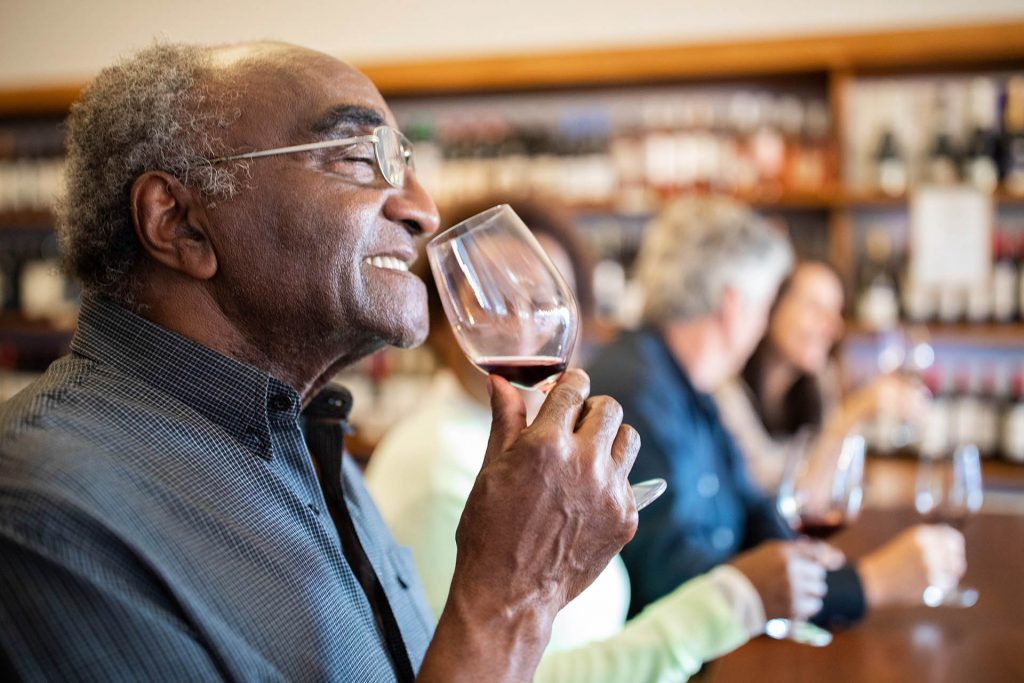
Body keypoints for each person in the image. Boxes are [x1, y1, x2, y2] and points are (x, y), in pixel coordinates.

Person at [0, 42, 643, 682]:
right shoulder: (42, 509)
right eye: (360, 158)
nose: (423, 208)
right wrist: (510, 596)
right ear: (180, 224)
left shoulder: (307, 443)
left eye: (406, 162)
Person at [367, 196, 837, 682]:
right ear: (448, 317)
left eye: (548, 298)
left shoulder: (535, 444)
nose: (532, 324)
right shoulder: (435, 467)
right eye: (500, 302)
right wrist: (733, 600)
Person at [587, 197, 966, 623]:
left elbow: (751, 505)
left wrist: (806, 564)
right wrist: (869, 584)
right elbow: (673, 584)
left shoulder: (681, 381)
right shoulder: (635, 393)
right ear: (733, 306)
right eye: (765, 307)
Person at [714, 260, 929, 495]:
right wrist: (849, 415)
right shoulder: (722, 388)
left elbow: (829, 494)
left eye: (835, 312)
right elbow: (774, 497)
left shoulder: (820, 382)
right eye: (816, 309)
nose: (834, 327)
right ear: (772, 305)